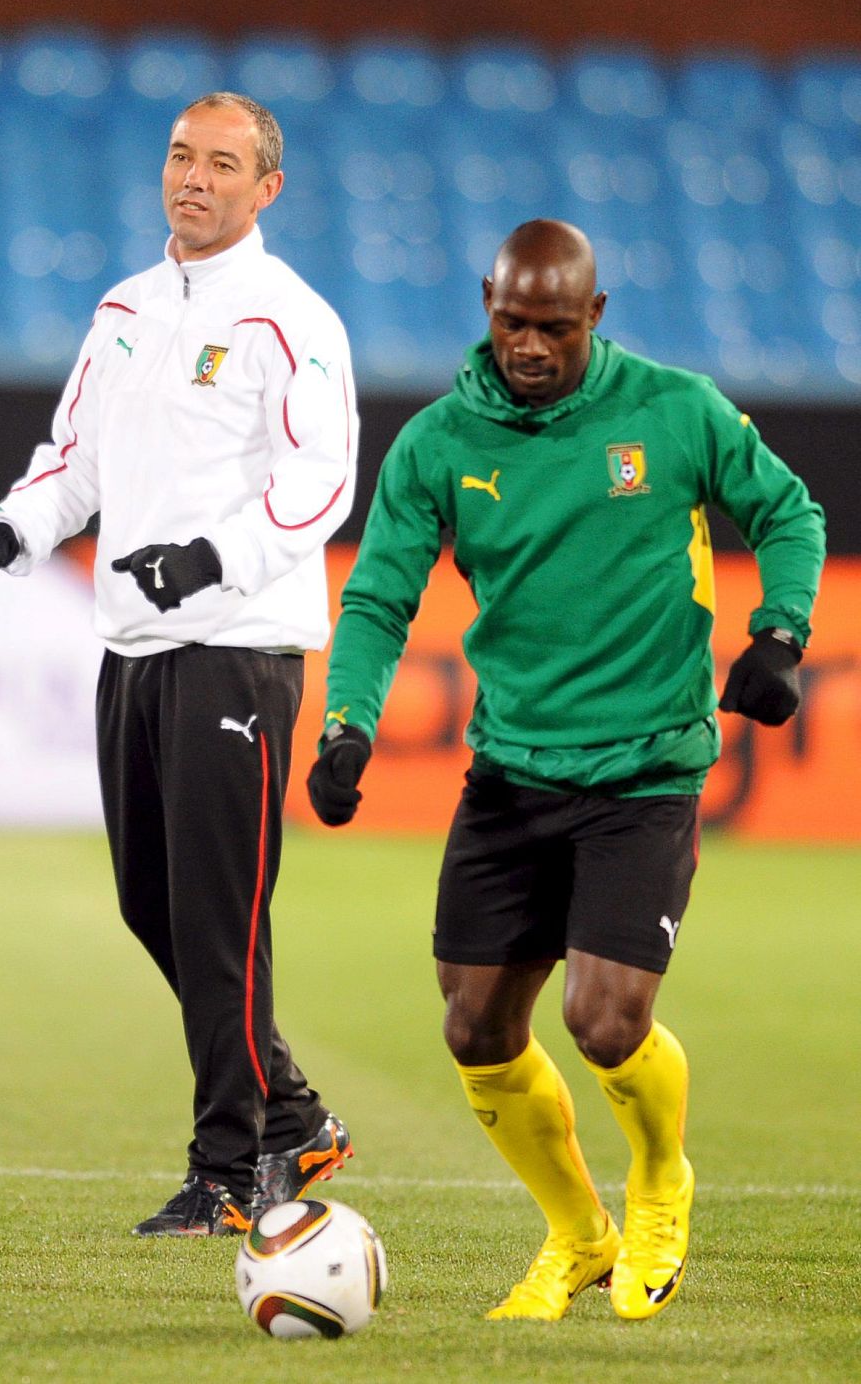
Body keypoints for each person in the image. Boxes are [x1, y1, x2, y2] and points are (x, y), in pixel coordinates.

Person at [308, 219, 824, 1320]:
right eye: (510, 322)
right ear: (485, 301)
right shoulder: (440, 441)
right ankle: (577, 1231)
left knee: (604, 1018)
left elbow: (788, 512)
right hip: (511, 767)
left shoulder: (674, 409)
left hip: (644, 768)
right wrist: (345, 724)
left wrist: (779, 635)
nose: (528, 345)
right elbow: (377, 595)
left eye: (552, 326)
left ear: (594, 315)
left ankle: (659, 1181)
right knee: (473, 1026)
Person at [0, 93, 358, 1236]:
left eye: (222, 164)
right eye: (182, 155)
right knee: (151, 902)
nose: (194, 177)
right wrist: (11, 531)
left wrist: (214, 556)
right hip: (131, 641)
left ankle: (230, 1167)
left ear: (266, 188)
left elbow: (322, 477)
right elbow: (72, 457)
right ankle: (294, 1112)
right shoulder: (125, 304)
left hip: (237, 644)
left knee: (220, 915)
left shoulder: (292, 319)